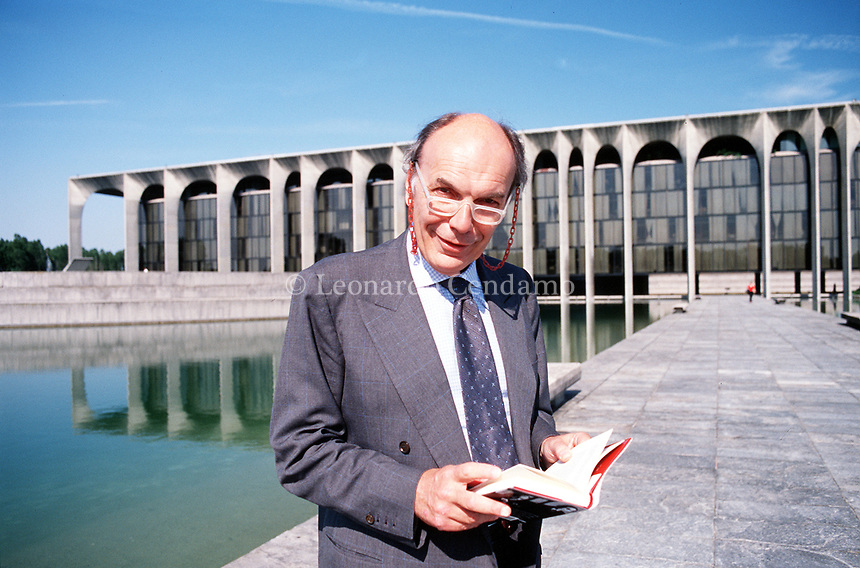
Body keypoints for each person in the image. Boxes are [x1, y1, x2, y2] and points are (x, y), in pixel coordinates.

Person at [270, 113, 589, 567]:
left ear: (508, 207)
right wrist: (416, 492)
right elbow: (301, 450)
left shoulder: (516, 289)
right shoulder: (332, 290)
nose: (462, 223)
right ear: (410, 185)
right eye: (445, 192)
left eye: (487, 203)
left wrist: (547, 446)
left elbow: (531, 412)